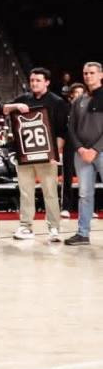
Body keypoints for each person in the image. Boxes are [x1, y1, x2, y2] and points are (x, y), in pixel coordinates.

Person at [3, 68, 69, 242]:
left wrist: (56, 153)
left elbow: (62, 131)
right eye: (32, 80)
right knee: (25, 192)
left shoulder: (57, 102)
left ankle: (54, 228)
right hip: (24, 154)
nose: (34, 83)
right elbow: (5, 109)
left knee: (50, 192)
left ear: (47, 82)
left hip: (47, 156)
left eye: (38, 80)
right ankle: (26, 226)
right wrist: (16, 106)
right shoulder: (23, 98)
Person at [65, 62, 103, 246]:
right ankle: (83, 234)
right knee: (84, 194)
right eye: (85, 73)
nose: (88, 76)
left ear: (101, 75)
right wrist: (80, 149)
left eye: (92, 73)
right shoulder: (78, 100)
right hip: (81, 155)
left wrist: (95, 149)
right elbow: (71, 128)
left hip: (101, 152)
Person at [61, 83, 86, 217]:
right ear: (71, 95)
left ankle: (87, 207)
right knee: (68, 176)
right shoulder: (65, 109)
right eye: (76, 93)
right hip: (69, 145)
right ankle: (66, 207)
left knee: (86, 176)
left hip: (85, 145)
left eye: (81, 93)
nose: (79, 95)